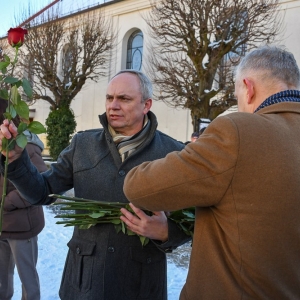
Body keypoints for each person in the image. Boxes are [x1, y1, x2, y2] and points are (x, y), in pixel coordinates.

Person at [123, 46, 300, 299]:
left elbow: (139, 188)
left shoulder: (239, 130)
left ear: (248, 88)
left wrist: (191, 154)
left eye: (237, 94)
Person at [0, 70, 190, 300]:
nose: (113, 105)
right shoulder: (83, 145)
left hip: (141, 285)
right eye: (109, 98)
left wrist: (167, 232)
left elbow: (196, 218)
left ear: (146, 105)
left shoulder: (172, 154)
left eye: (124, 98)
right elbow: (42, 192)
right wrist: (17, 160)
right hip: (84, 283)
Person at [0, 98, 48, 300]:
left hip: (22, 227)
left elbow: (40, 183)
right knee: (2, 280)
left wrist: (8, 202)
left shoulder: (25, 146)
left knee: (28, 281)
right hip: (2, 226)